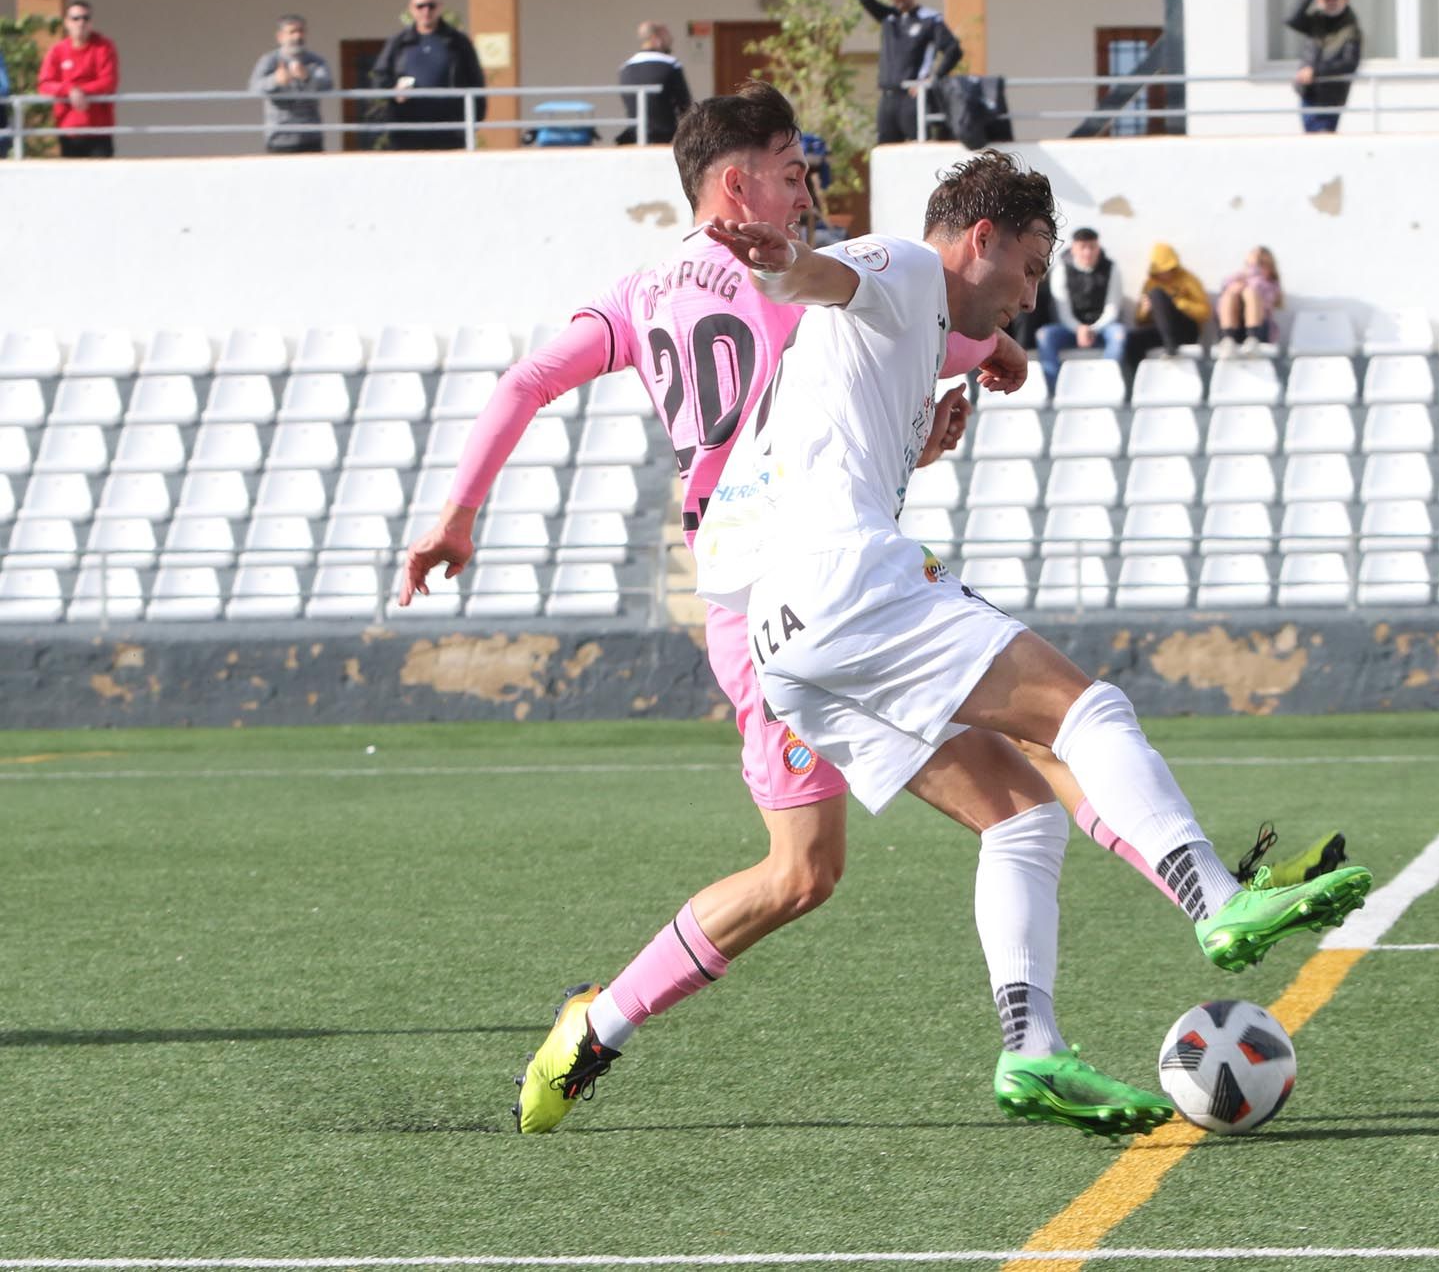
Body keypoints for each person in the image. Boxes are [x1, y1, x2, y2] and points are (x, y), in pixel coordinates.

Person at [396, 85, 1176, 1136]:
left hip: (744, 599)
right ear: (734, 184)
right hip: (799, 591)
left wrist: (456, 515)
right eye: (791, 166)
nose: (808, 184)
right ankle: (1198, 898)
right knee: (1021, 745)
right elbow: (878, 334)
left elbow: (528, 381)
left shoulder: (634, 294)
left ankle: (596, 1026)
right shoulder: (779, 275)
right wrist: (981, 350)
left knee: (807, 868)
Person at [696, 150, 1374, 1134]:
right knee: (1085, 711)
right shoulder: (907, 266)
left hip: (786, 641)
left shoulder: (916, 326)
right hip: (846, 582)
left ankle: (1031, 1049)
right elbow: (821, 274)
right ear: (982, 238)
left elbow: (855, 358)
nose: (1030, 290)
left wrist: (942, 406)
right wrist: (782, 258)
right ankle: (1214, 898)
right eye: (1027, 266)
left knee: (1020, 817)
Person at [369, 0, 485, 151]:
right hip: (407, 132)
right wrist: (394, 92)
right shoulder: (399, 43)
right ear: (411, 9)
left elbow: (476, 83)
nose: (426, 11)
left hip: (449, 133)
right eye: (420, 6)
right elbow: (379, 78)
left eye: (431, 5)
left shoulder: (458, 42)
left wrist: (471, 124)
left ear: (440, 7)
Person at [856, 0, 961, 145]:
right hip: (888, 96)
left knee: (919, 145)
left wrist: (932, 79)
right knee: (886, 149)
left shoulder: (929, 19)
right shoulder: (889, 17)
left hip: (913, 96)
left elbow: (953, 50)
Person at [1035, 226, 1126, 387]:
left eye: (1092, 247)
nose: (1087, 252)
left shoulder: (1112, 269)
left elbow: (1112, 308)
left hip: (1102, 329)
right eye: (1083, 247)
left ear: (1098, 248)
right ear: (1074, 249)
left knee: (1119, 334)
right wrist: (1079, 329)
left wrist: (1092, 329)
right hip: (1070, 329)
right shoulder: (1061, 270)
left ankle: (1106, 385)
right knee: (1045, 335)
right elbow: (1063, 311)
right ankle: (1054, 389)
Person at [37, 0, 118, 159]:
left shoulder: (104, 47)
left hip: (99, 131)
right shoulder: (58, 51)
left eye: (85, 18)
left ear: (91, 23)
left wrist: (82, 91)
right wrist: (70, 91)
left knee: (101, 180)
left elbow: (108, 81)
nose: (81, 23)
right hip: (68, 131)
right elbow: (45, 84)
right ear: (67, 23)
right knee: (71, 181)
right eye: (75, 18)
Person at [250, 15, 335, 154]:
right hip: (279, 138)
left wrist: (308, 77)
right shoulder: (269, 60)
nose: (297, 36)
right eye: (292, 32)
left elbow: (328, 84)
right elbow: (254, 88)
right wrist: (275, 80)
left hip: (311, 138)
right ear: (280, 37)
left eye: (301, 31)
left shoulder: (316, 61)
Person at [1287, 0, 1362, 134]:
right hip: (1308, 92)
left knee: (1322, 136)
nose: (1331, 1)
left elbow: (1349, 64)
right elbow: (1291, 20)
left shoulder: (1351, 29)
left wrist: (1314, 72)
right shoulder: (1315, 21)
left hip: (1331, 95)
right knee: (1312, 137)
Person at [1124, 243, 1209, 366]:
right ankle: (1139, 379)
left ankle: (1171, 349)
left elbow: (1204, 312)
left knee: (1157, 294)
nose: (1164, 273)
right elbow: (1139, 320)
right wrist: (1145, 311)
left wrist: (1177, 303)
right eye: (1160, 270)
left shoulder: (1188, 279)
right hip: (1162, 331)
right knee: (1132, 339)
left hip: (1185, 330)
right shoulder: (1150, 283)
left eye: (1168, 269)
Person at [614, 21, 693, 146]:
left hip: (635, 137)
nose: (671, 41)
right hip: (666, 137)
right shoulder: (671, 64)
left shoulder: (625, 67)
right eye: (668, 38)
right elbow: (685, 105)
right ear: (656, 39)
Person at [1216, 246, 1284, 356]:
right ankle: (1228, 338)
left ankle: (1253, 338)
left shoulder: (1270, 285)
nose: (1256, 269)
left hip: (1260, 331)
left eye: (1261, 264)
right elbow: (1221, 306)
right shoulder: (1235, 280)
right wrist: (1237, 287)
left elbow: (1264, 299)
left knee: (1250, 293)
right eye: (1252, 265)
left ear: (1271, 268)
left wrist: (1248, 283)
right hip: (1236, 329)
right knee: (1229, 295)